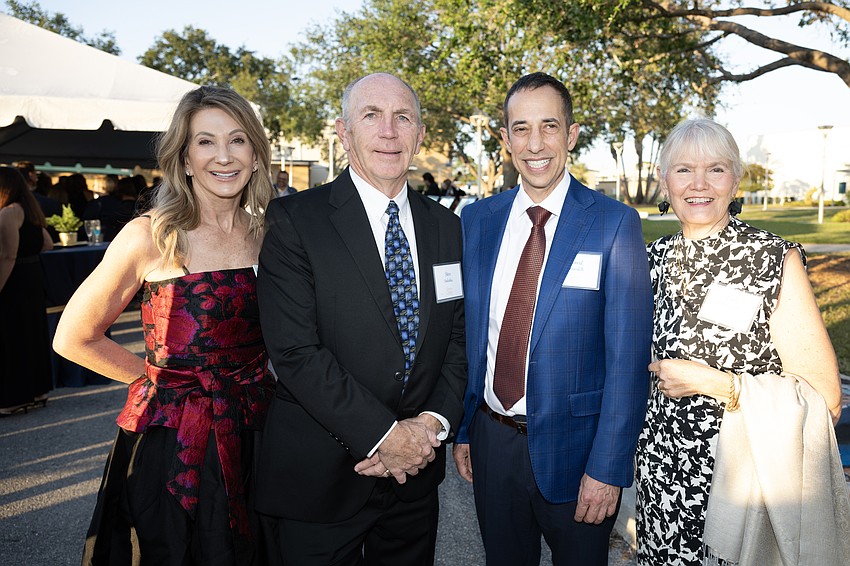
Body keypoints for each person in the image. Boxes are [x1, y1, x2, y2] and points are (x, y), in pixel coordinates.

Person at [53, 85, 276, 565]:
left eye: (238, 141)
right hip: (175, 440)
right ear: (185, 157)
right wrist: (158, 382)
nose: (224, 156)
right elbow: (73, 336)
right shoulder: (150, 235)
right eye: (206, 142)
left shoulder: (270, 235)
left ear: (256, 156)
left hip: (260, 432)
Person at [254, 72, 467, 566]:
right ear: (343, 131)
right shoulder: (293, 221)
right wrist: (385, 436)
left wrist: (429, 427)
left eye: (403, 118)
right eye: (372, 116)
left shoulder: (448, 229)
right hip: (321, 481)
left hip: (416, 476)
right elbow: (294, 352)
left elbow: (457, 342)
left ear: (418, 133)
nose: (388, 131)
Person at [452, 72, 653, 566]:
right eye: (521, 129)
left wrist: (607, 468)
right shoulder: (477, 220)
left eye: (549, 126)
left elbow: (628, 359)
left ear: (572, 133)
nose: (535, 143)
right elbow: (468, 335)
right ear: (505, 139)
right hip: (492, 441)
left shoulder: (613, 223)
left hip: (578, 451)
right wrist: (463, 429)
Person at [634, 118, 845, 565]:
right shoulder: (648, 261)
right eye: (683, 169)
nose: (699, 184)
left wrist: (718, 384)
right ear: (663, 181)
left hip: (744, 483)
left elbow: (825, 398)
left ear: (735, 180)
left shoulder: (773, 258)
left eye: (715, 169)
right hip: (661, 480)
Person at [0, 167, 53, 416]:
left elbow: (8, 255)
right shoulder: (31, 209)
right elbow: (47, 243)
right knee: (33, 334)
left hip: (15, 278)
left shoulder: (9, 212)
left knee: (12, 339)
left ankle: (14, 399)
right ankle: (38, 391)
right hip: (33, 276)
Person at [82, 176, 137, 241]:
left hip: (101, 239)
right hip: (119, 239)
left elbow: (86, 222)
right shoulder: (121, 204)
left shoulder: (97, 203)